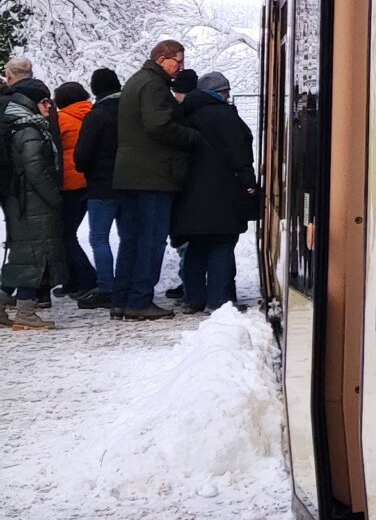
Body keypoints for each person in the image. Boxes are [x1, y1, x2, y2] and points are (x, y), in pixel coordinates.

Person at [112, 38, 192, 321]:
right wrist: (192, 137)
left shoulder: (136, 81)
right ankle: (140, 300)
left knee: (131, 240)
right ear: (162, 59)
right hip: (154, 174)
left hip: (129, 174)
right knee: (151, 239)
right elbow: (160, 125)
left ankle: (121, 299)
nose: (180, 67)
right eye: (177, 61)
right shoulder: (156, 86)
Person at [171, 71, 256, 313]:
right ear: (221, 93)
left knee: (196, 245)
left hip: (188, 192)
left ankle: (193, 298)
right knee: (222, 243)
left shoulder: (183, 114)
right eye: (226, 92)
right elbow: (239, 152)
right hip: (223, 190)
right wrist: (248, 182)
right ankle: (219, 301)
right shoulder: (226, 116)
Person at [0, 79, 61, 329]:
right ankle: (25, 313)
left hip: (19, 200)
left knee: (22, 256)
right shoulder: (29, 129)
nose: (49, 106)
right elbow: (35, 168)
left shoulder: (18, 124)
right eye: (45, 101)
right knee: (35, 257)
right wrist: (54, 197)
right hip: (32, 201)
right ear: (32, 102)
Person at [73, 67, 122, 309]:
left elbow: (82, 156)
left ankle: (107, 287)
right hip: (131, 183)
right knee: (129, 237)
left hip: (101, 186)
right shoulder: (131, 112)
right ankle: (126, 284)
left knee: (99, 238)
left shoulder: (97, 115)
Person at [52, 80, 97, 300]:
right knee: (68, 233)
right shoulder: (92, 114)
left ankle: (87, 279)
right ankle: (74, 280)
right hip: (89, 181)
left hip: (69, 184)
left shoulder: (60, 119)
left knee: (64, 235)